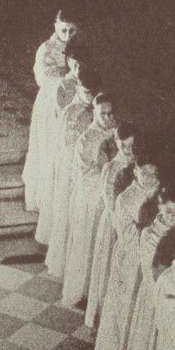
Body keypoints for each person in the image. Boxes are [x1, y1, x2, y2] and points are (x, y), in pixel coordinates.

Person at [93, 163, 161, 350]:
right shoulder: (127, 197)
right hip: (130, 257)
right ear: (135, 171)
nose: (149, 177)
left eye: (153, 172)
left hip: (149, 262)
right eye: (144, 171)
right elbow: (127, 234)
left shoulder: (162, 195)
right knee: (122, 308)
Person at [117, 195, 175, 350]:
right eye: (169, 211)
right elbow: (149, 268)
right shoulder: (149, 233)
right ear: (160, 208)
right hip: (153, 293)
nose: (173, 216)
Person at [58, 96, 120, 305]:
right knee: (87, 240)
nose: (108, 117)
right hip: (92, 195)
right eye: (103, 113)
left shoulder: (119, 135)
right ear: (95, 112)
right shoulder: (87, 137)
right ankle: (83, 290)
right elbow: (86, 170)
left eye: (111, 113)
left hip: (109, 196)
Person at [23, 12, 78, 214]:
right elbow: (44, 79)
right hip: (51, 103)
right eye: (63, 29)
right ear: (55, 25)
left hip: (74, 103)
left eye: (72, 30)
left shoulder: (77, 47)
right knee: (49, 148)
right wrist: (68, 80)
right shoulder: (46, 49)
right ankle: (46, 201)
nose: (67, 34)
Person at [82, 126, 136, 327]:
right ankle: (101, 316)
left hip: (129, 225)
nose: (128, 149)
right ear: (117, 142)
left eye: (132, 145)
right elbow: (108, 198)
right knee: (107, 266)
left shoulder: (138, 167)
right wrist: (120, 225)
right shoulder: (111, 167)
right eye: (124, 145)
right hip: (113, 222)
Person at [38, 66, 97, 253]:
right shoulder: (71, 112)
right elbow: (67, 145)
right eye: (87, 92)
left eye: (93, 93)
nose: (90, 97)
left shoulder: (97, 109)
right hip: (70, 165)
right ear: (79, 88)